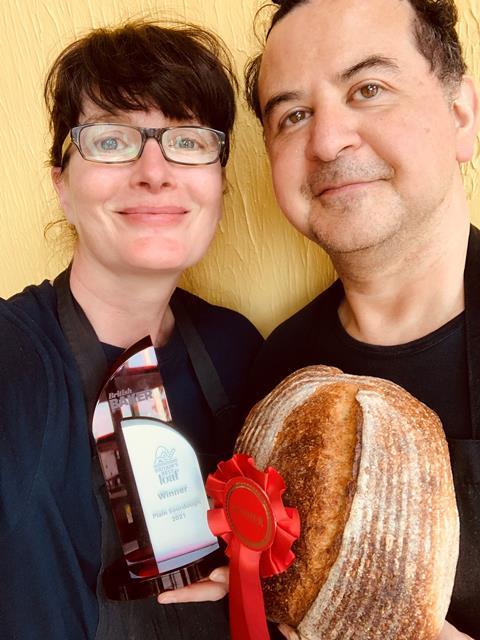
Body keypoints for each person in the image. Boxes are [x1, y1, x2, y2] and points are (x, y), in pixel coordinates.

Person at [0, 20, 263, 640]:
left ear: (220, 181)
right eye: (112, 140)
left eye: (189, 141)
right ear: (61, 185)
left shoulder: (240, 350)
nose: (155, 170)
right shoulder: (10, 360)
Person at [244, 0, 479, 638]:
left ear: (462, 114)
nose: (325, 140)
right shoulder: (273, 375)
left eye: (368, 89)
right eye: (293, 115)